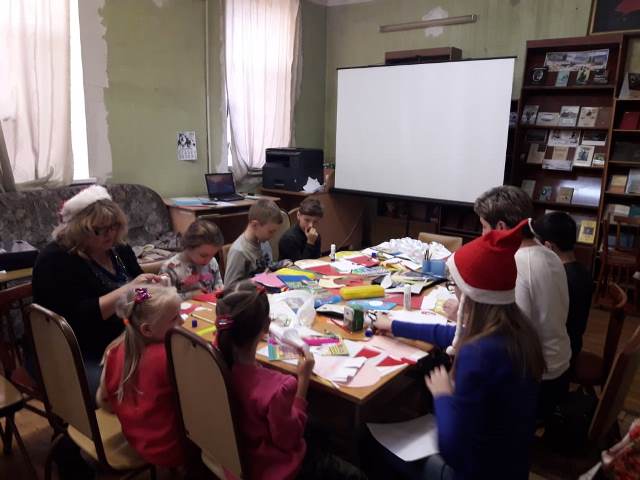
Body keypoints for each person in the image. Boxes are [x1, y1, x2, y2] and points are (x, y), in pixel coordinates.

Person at [373, 220, 545, 480]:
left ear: (472, 296)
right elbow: (447, 334)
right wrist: (394, 326)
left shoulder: (478, 354)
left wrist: (443, 395)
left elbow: (454, 452)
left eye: (455, 286)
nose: (453, 292)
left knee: (370, 446)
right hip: (513, 467)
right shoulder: (519, 332)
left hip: (477, 472)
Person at [215, 281, 366, 480]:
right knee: (356, 475)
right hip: (273, 470)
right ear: (267, 326)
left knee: (319, 431)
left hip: (235, 459)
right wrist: (303, 380)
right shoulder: (278, 388)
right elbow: (289, 439)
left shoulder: (214, 361)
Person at [32, 185, 162, 396]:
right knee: (125, 389)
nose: (110, 234)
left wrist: (151, 291)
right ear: (78, 229)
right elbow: (77, 318)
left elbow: (138, 295)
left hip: (123, 338)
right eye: (99, 230)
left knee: (167, 368)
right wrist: (128, 289)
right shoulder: (56, 259)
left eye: (114, 226)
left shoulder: (119, 249)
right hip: (74, 349)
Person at [473, 185, 571, 421]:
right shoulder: (549, 253)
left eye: (484, 227)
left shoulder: (516, 263)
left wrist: (468, 315)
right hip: (560, 366)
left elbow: (511, 340)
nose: (482, 235)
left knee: (464, 368)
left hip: (538, 380)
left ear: (500, 228)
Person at [97, 284, 185, 469]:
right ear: (147, 330)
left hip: (136, 439)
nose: (182, 322)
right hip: (171, 449)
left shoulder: (114, 350)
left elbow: (103, 400)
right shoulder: (168, 357)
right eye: (175, 318)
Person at [531, 212, 593, 370]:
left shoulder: (558, 278)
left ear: (548, 247)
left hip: (562, 353)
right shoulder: (583, 272)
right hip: (574, 342)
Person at [224, 199, 283, 286]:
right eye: (271, 231)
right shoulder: (239, 251)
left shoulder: (264, 242)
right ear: (255, 225)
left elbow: (267, 268)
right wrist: (256, 280)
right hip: (250, 293)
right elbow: (229, 287)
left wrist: (277, 266)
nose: (273, 236)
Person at [160, 219, 224, 299]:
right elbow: (163, 299)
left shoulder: (212, 262)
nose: (208, 260)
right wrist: (191, 295)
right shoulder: (170, 268)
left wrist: (219, 289)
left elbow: (218, 284)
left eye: (212, 255)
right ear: (189, 247)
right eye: (203, 255)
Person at [278, 197, 323, 262]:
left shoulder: (315, 236)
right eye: (307, 220)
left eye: (315, 222)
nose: (311, 225)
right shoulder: (289, 239)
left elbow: (317, 260)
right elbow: (300, 265)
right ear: (298, 215)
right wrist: (310, 242)